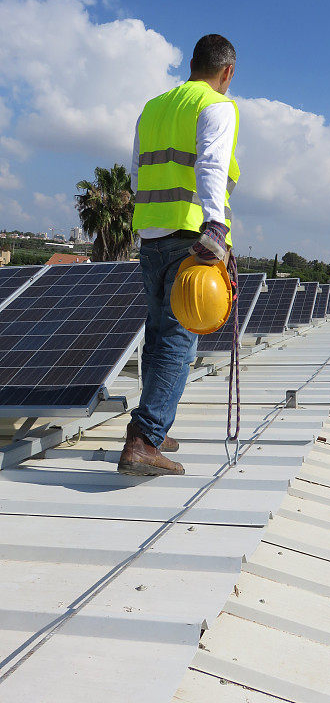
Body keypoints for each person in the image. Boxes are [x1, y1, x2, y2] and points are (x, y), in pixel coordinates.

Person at [117, 34, 240, 476]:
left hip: (149, 234)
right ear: (227, 71)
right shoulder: (216, 105)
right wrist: (215, 226)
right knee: (177, 337)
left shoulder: (153, 107)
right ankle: (146, 439)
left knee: (158, 331)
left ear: (192, 64)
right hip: (191, 233)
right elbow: (211, 165)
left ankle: (153, 421)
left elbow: (135, 172)